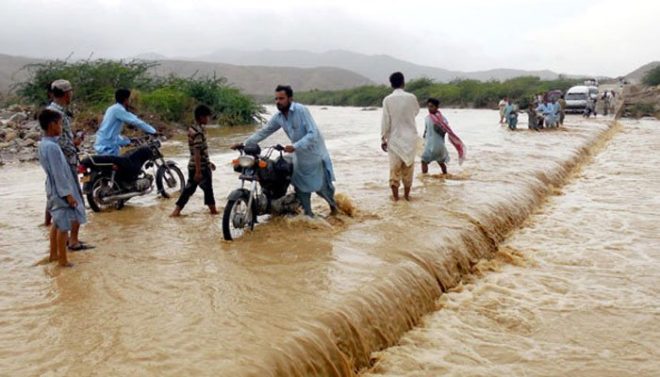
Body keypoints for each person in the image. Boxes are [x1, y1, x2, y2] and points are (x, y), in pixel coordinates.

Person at [233, 85, 337, 217]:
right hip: (299, 156)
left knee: (322, 188)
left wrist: (295, 146)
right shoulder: (279, 117)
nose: (278, 101)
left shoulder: (301, 110)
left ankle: (335, 210)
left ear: (290, 98)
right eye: (276, 99)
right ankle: (308, 215)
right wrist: (244, 144)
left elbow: (313, 133)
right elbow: (264, 131)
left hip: (314, 154)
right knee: (300, 186)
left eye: (281, 98)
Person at [37, 109, 87, 267]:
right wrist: (68, 195)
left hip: (52, 188)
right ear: (52, 125)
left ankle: (53, 255)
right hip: (60, 190)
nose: (61, 127)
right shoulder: (52, 147)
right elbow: (59, 173)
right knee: (63, 225)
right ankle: (63, 261)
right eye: (59, 124)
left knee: (56, 223)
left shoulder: (44, 144)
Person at [46, 79, 89, 250]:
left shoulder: (51, 111)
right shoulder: (59, 115)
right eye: (70, 92)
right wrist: (76, 142)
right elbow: (63, 143)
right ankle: (73, 241)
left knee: (57, 200)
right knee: (74, 200)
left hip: (56, 165)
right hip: (65, 164)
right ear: (66, 94)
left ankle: (59, 247)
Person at [170, 105, 218, 217]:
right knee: (208, 190)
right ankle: (213, 212)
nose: (208, 119)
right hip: (200, 167)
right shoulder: (198, 133)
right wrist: (198, 171)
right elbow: (197, 152)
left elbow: (198, 152)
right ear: (201, 117)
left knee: (189, 189)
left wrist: (208, 163)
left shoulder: (192, 129)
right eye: (207, 117)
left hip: (194, 165)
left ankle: (176, 211)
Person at [381, 72, 420, 201]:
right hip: (410, 139)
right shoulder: (412, 97)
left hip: (395, 140)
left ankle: (396, 199)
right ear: (403, 82)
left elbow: (386, 120)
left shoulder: (387, 100)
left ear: (391, 84)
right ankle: (407, 197)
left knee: (394, 170)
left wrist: (383, 138)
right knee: (408, 169)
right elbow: (416, 112)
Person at [94, 89, 157, 156]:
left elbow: (111, 132)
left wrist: (128, 141)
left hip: (102, 143)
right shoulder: (119, 110)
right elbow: (136, 122)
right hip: (107, 148)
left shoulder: (111, 108)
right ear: (126, 100)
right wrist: (153, 131)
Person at [421, 98, 466, 175]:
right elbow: (426, 131)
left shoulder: (441, 119)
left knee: (424, 161)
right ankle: (445, 175)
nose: (429, 108)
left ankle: (425, 178)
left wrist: (438, 128)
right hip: (434, 145)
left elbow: (444, 131)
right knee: (441, 162)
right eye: (428, 106)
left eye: (431, 106)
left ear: (437, 107)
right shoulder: (428, 118)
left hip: (436, 145)